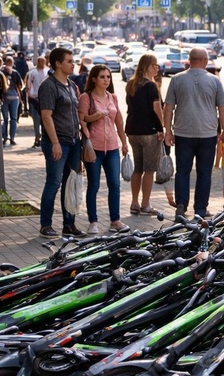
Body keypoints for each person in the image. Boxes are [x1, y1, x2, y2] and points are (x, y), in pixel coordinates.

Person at [163, 47, 224, 219]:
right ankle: (200, 209)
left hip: (183, 133)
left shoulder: (176, 80)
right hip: (208, 133)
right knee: (204, 172)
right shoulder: (215, 81)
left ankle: (181, 205)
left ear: (189, 61)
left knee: (182, 171)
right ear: (205, 61)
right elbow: (222, 109)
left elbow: (168, 108)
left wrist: (168, 131)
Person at [38, 47, 86, 239]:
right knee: (54, 183)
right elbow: (46, 116)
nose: (72, 64)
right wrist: (55, 142)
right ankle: (45, 225)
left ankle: (69, 224)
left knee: (71, 182)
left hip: (74, 142)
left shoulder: (71, 85)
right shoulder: (49, 86)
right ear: (58, 64)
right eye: (69, 61)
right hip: (58, 143)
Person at [79, 65, 130, 235]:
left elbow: (119, 122)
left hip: (113, 148)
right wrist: (96, 116)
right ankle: (93, 221)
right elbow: (82, 120)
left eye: (108, 77)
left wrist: (124, 142)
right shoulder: (87, 97)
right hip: (94, 148)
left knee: (115, 184)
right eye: (102, 77)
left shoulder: (113, 97)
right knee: (93, 185)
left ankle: (115, 220)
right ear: (94, 79)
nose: (106, 80)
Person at [124, 54, 165, 216]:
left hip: (132, 130)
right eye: (155, 65)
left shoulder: (131, 84)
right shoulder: (151, 86)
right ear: (147, 66)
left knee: (138, 168)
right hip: (148, 131)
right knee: (149, 169)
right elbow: (156, 109)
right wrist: (161, 129)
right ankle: (145, 204)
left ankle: (134, 203)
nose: (157, 68)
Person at [26, 56, 49, 147]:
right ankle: (37, 137)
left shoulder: (48, 72)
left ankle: (44, 136)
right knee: (36, 119)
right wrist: (30, 95)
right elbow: (29, 84)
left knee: (45, 119)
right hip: (35, 98)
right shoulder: (32, 72)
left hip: (45, 98)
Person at [1, 56, 24, 145]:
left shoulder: (1, 72)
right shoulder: (15, 73)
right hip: (15, 97)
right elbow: (20, 86)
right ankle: (12, 137)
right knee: (13, 118)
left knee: (5, 118)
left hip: (4, 98)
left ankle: (5, 136)